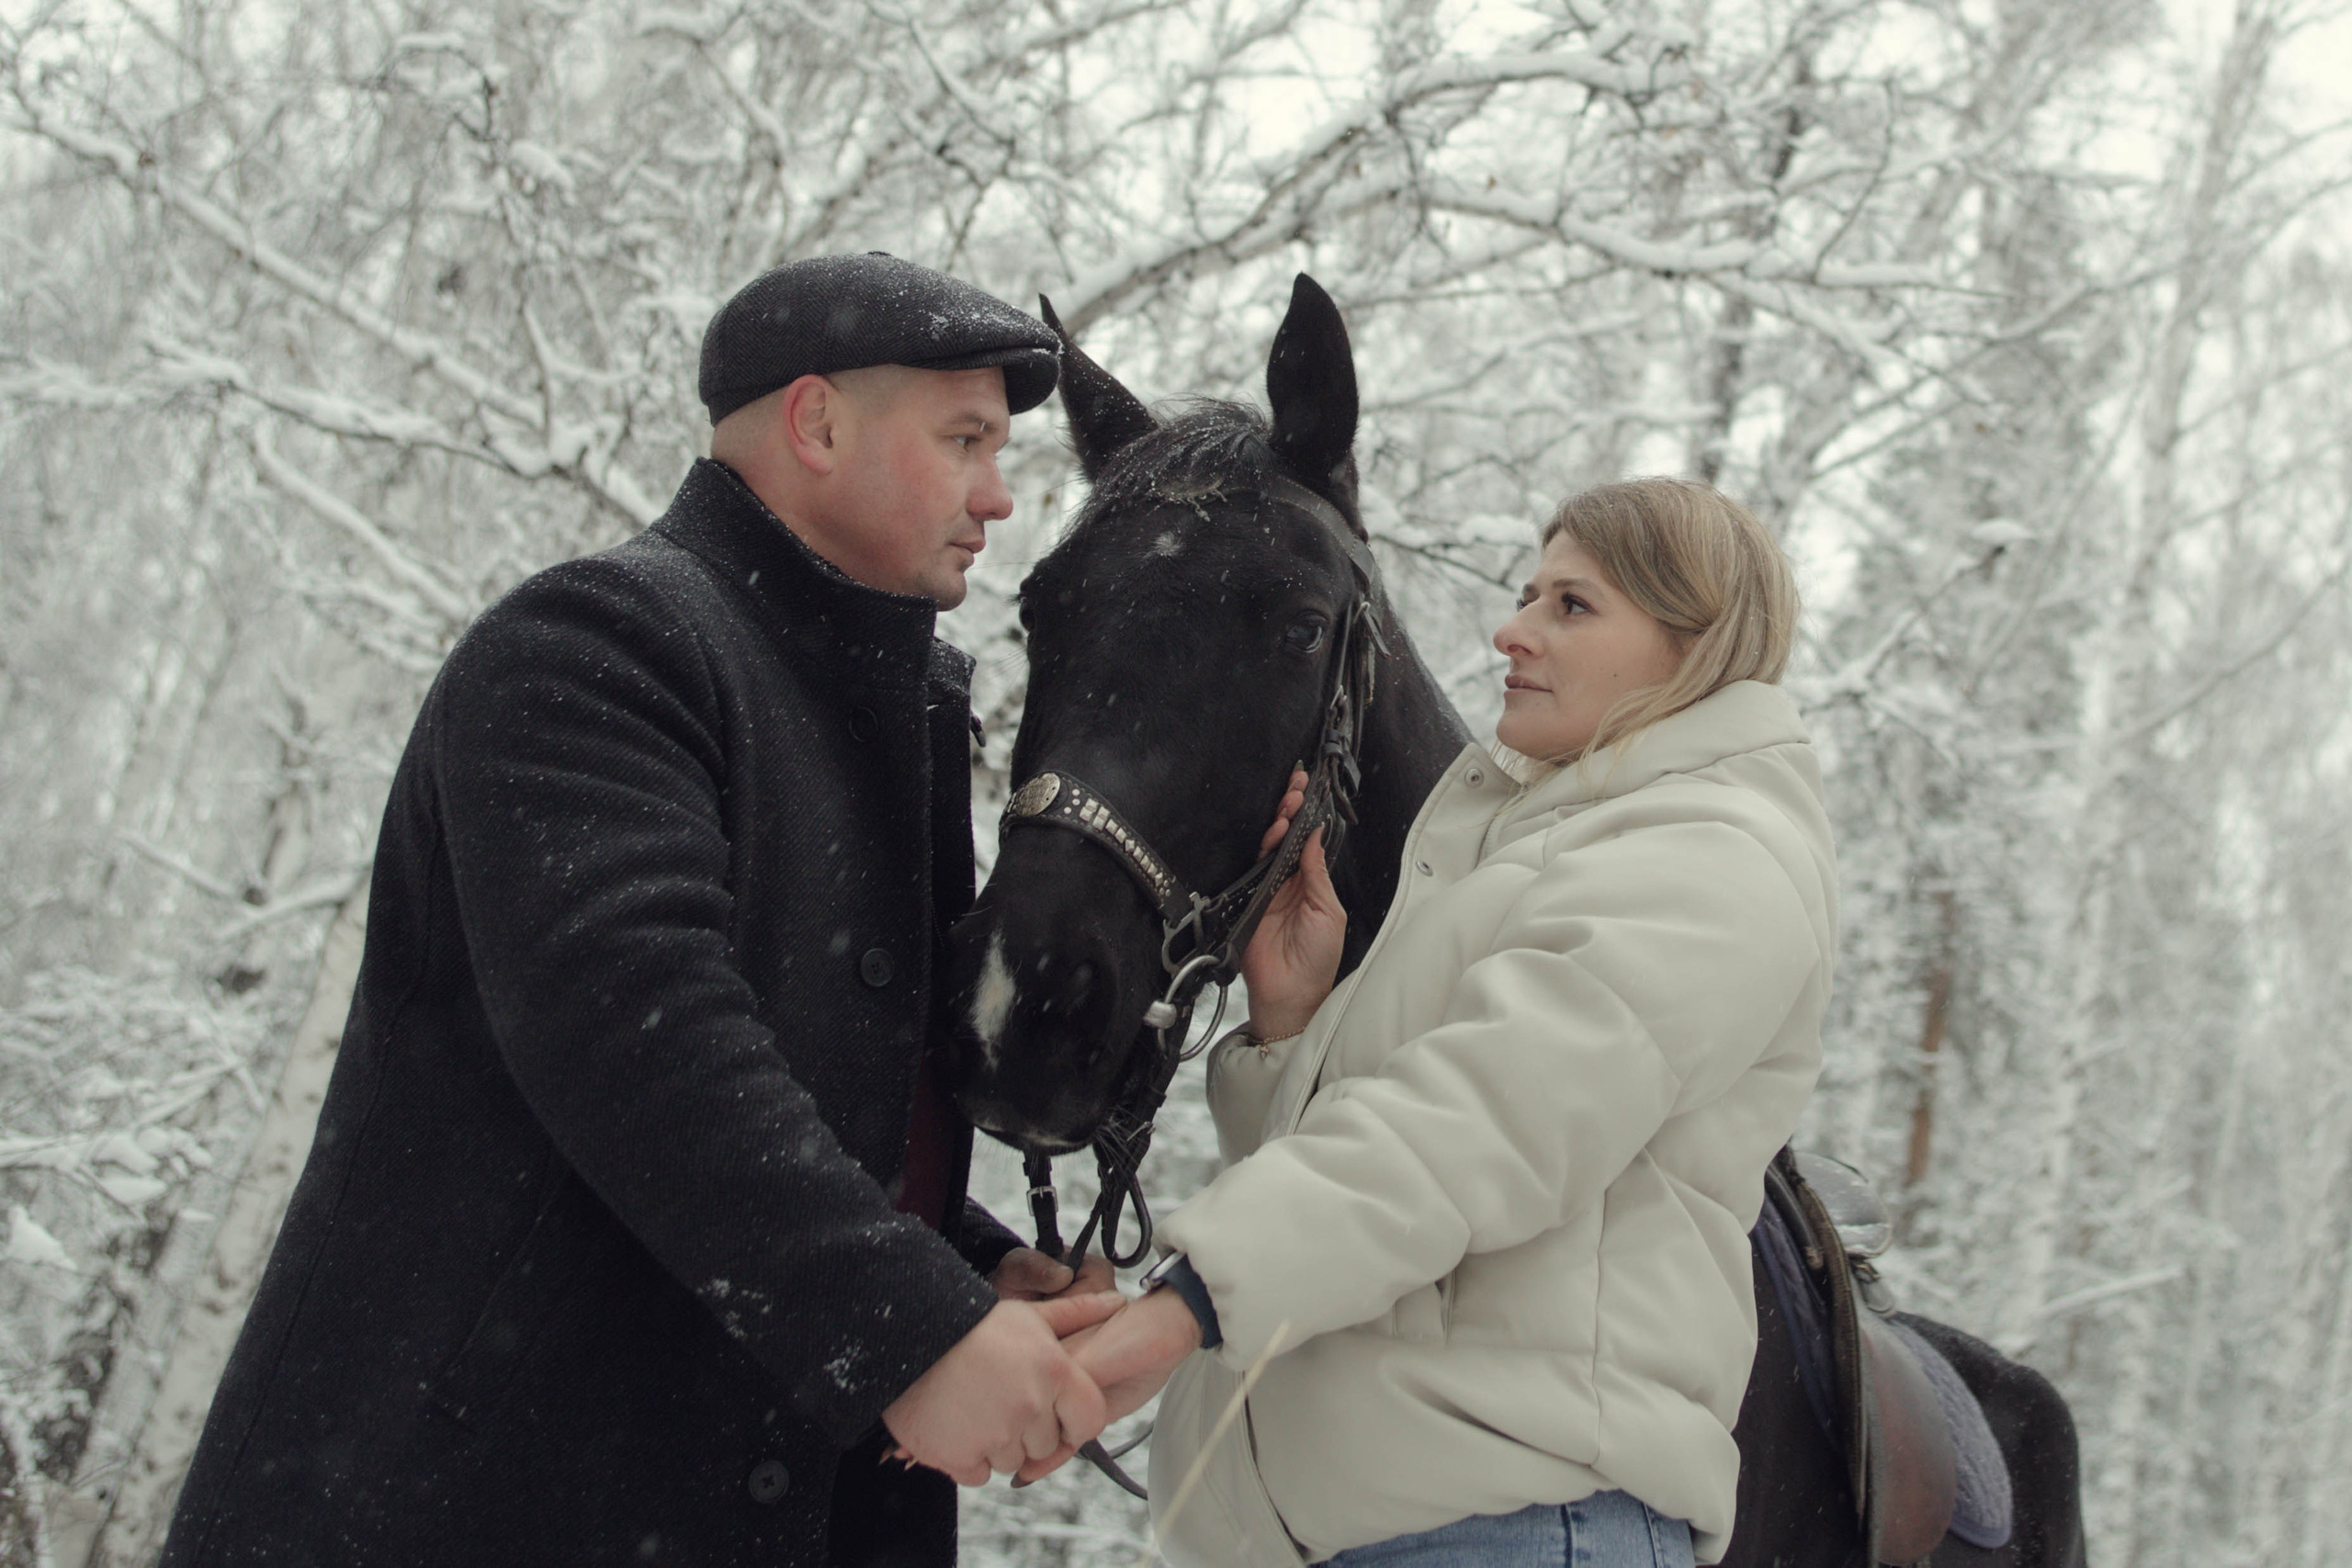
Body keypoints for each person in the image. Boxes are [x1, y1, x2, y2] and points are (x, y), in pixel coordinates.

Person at [161, 254, 1120, 1568]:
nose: (999, 496)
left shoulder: (893, 720)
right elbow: (638, 1039)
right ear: (817, 422)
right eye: (964, 442)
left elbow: (809, 1102)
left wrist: (964, 1268)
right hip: (462, 1505)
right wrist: (909, 1328)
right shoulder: (599, 645)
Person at [1065, 478, 1838, 1568]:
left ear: (1694, 646)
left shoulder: (1713, 856)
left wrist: (1184, 1304)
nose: (1509, 629)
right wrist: (1292, 1025)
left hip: (1517, 1527)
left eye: (1571, 606)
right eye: (1527, 593)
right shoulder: (1551, 847)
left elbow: (1476, 1131)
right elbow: (1423, 1195)